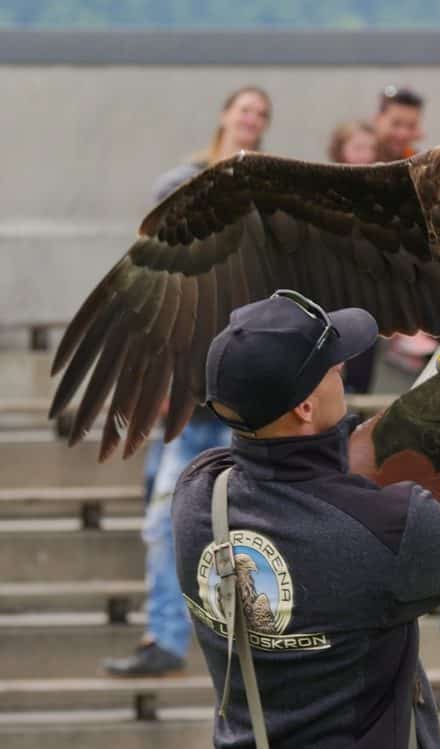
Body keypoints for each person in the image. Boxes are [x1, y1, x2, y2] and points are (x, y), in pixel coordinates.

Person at [172, 290, 440, 748]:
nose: (343, 369)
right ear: (304, 408)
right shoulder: (383, 531)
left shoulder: (199, 495)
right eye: (331, 365)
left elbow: (322, 468)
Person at [103, 86, 274, 677]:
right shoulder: (180, 181)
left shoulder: (266, 193)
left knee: (245, 532)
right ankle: (167, 642)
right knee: (163, 523)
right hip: (182, 399)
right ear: (227, 114)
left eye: (261, 113)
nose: (251, 118)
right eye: (245, 108)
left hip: (237, 400)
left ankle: (243, 650)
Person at [373, 86, 438, 375]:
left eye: (410, 126)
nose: (402, 133)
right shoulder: (358, 159)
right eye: (396, 124)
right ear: (379, 120)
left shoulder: (422, 167)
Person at [326, 120, 381, 394]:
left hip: (369, 304)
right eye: (359, 148)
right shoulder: (325, 194)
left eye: (371, 148)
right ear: (340, 150)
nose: (367, 155)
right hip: (332, 300)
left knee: (360, 385)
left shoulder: (378, 196)